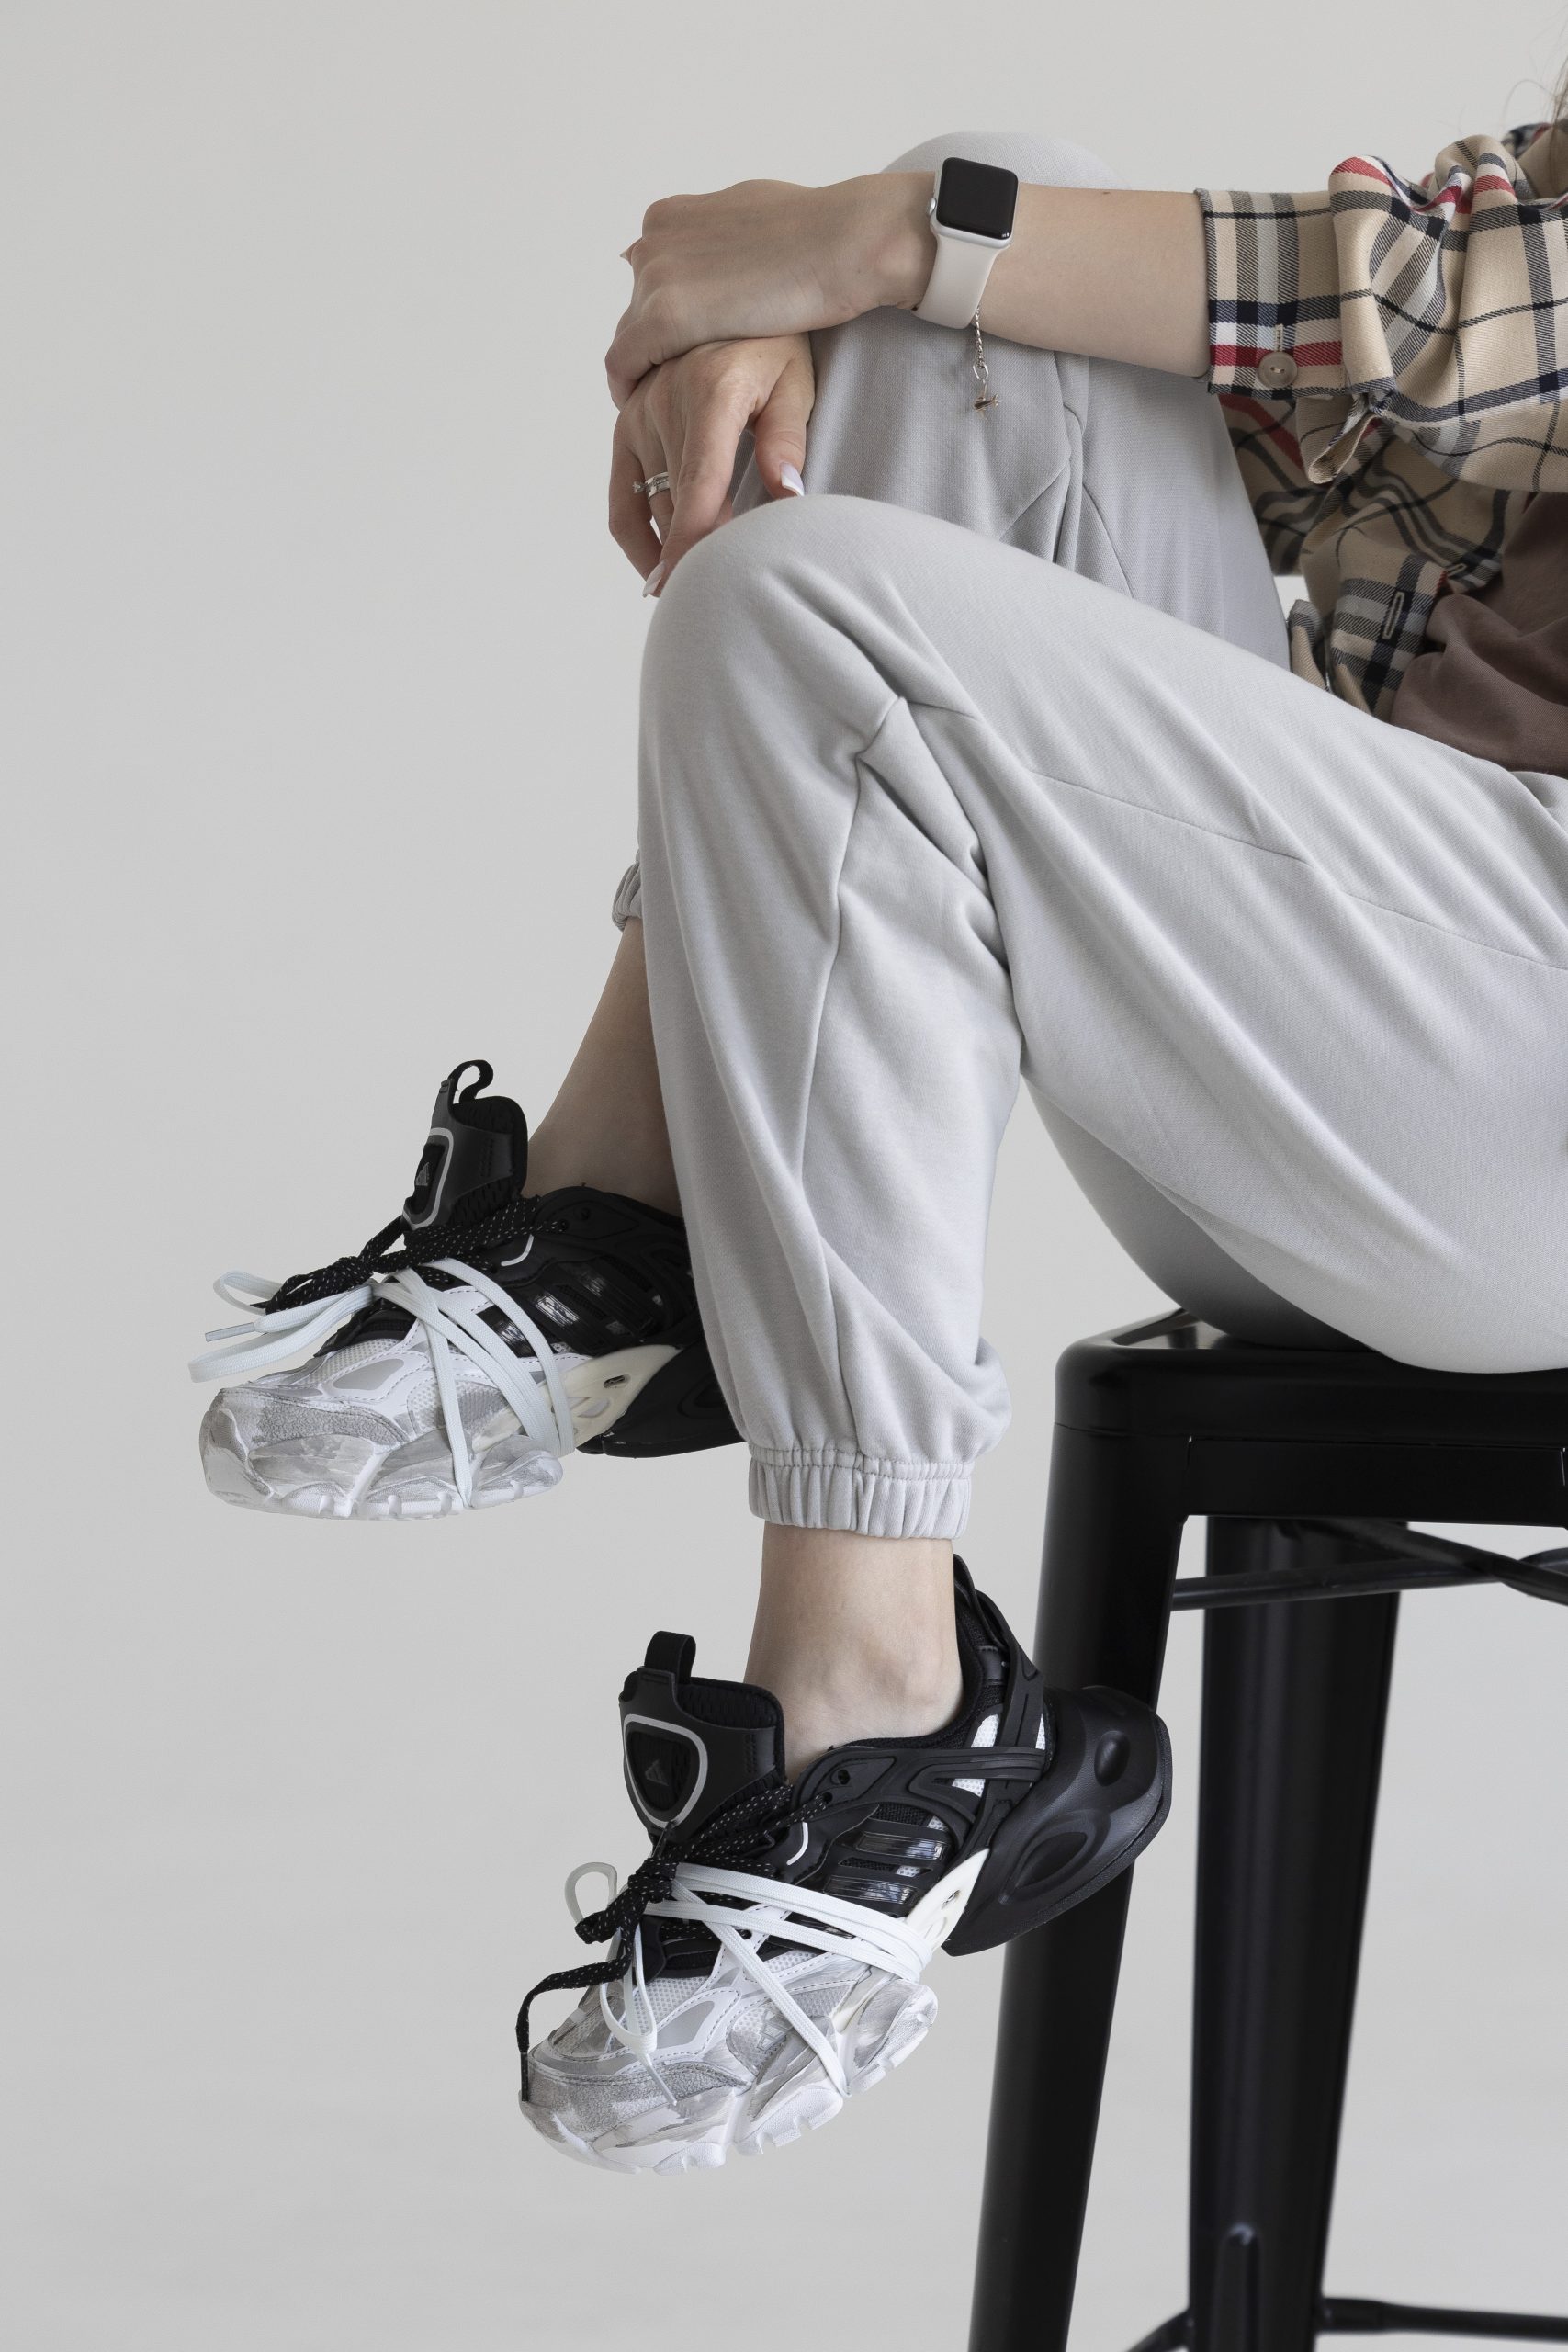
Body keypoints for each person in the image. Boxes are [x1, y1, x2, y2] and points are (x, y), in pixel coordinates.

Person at [191, 100, 1568, 2172]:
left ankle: (869, 1678)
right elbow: (1353, 388)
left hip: (1522, 1113)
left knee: (849, 509)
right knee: (965, 340)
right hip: (1362, 1098)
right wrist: (843, 307)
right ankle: (629, 1214)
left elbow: (1444, 309)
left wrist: (879, 234)